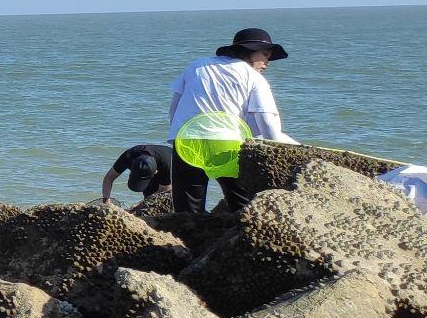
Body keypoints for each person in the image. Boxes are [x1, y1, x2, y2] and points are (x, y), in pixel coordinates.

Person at [166, 26, 293, 215]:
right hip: (227, 143)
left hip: (187, 140)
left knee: (187, 207)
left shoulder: (198, 65)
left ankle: (185, 243)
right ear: (250, 51)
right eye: (265, 55)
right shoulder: (254, 78)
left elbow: (174, 108)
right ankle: (242, 238)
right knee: (242, 201)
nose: (267, 62)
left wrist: (176, 135)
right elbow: (268, 125)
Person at [101, 142, 173, 204]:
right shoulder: (128, 157)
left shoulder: (167, 165)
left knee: (165, 199)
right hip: (156, 164)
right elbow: (108, 179)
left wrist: (140, 205)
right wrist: (106, 200)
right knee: (148, 194)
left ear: (155, 172)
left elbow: (164, 191)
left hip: (176, 166)